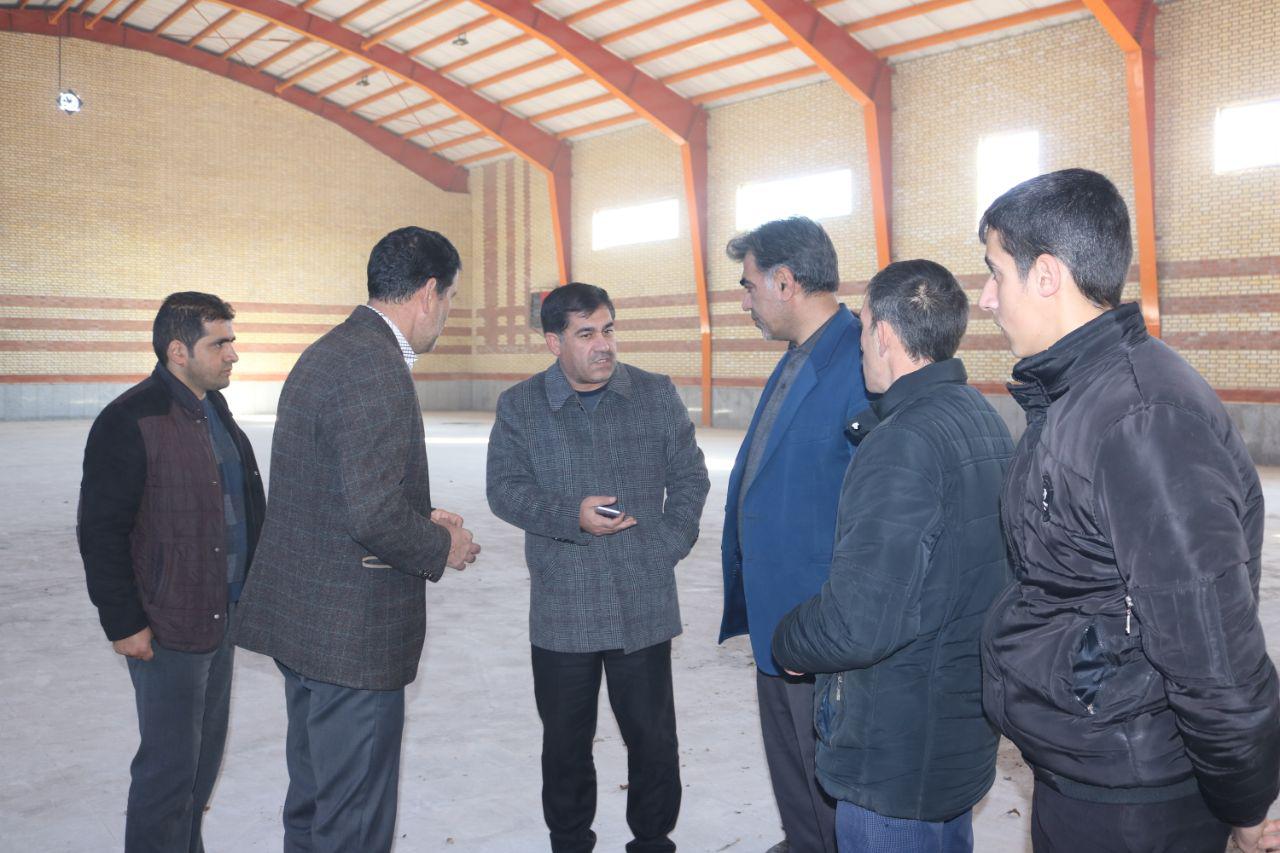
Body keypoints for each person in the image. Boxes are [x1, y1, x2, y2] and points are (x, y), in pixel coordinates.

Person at [976, 168, 1280, 853]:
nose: (987, 298)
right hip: (1091, 763)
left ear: (1046, 274)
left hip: (1136, 797)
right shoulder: (1079, 394)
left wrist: (1245, 805)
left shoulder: (1141, 420)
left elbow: (1211, 645)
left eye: (995, 272)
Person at [233, 227, 480, 853]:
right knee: (354, 820)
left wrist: (421, 513)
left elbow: (334, 483)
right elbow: (371, 514)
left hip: (307, 625)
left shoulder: (331, 350)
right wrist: (441, 545)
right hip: (351, 639)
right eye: (451, 299)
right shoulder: (376, 367)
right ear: (428, 293)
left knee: (316, 801)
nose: (447, 314)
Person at [771, 260, 1013, 852]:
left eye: (861, 332)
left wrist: (789, 640)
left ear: (882, 334)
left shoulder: (902, 441)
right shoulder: (981, 417)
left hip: (895, 758)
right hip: (954, 733)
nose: (860, 349)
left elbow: (859, 623)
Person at [486, 282, 710, 853]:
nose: (603, 344)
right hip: (564, 605)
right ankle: (569, 841)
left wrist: (665, 546)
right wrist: (571, 516)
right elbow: (505, 490)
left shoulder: (654, 394)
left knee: (653, 739)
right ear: (553, 342)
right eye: (585, 334)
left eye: (608, 330)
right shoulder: (521, 406)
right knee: (565, 742)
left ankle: (653, 841)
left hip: (643, 599)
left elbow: (690, 477)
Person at [78, 291, 266, 853]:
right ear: (178, 351)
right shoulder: (129, 419)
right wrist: (124, 622)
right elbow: (100, 530)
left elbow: (246, 505)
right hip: (166, 625)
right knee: (168, 773)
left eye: (232, 340)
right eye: (219, 343)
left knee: (200, 767)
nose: (233, 354)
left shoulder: (215, 410)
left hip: (222, 615)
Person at [718, 216, 867, 853]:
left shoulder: (862, 360)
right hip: (779, 612)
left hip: (821, 622)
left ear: (785, 282)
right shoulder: (799, 355)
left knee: (827, 771)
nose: (744, 301)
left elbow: (875, 509)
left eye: (748, 285)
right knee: (791, 769)